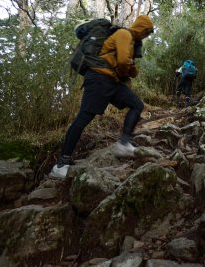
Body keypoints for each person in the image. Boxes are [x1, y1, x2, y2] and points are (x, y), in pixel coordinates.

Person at [50, 15, 155, 180]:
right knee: (84, 117)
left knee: (136, 104)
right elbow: (122, 63)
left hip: (111, 81)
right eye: (147, 32)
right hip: (99, 78)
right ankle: (61, 164)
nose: (146, 36)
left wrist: (129, 68)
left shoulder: (131, 41)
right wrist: (128, 69)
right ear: (142, 28)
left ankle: (124, 144)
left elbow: (129, 68)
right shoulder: (124, 35)